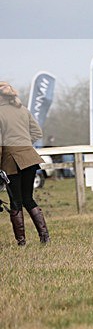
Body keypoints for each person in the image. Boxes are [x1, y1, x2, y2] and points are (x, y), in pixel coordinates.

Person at [0, 82, 50, 245]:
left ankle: (21, 241)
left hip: (11, 160)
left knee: (16, 201)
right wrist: (24, 144)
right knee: (29, 198)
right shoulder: (22, 110)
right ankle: (44, 237)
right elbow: (37, 132)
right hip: (29, 157)